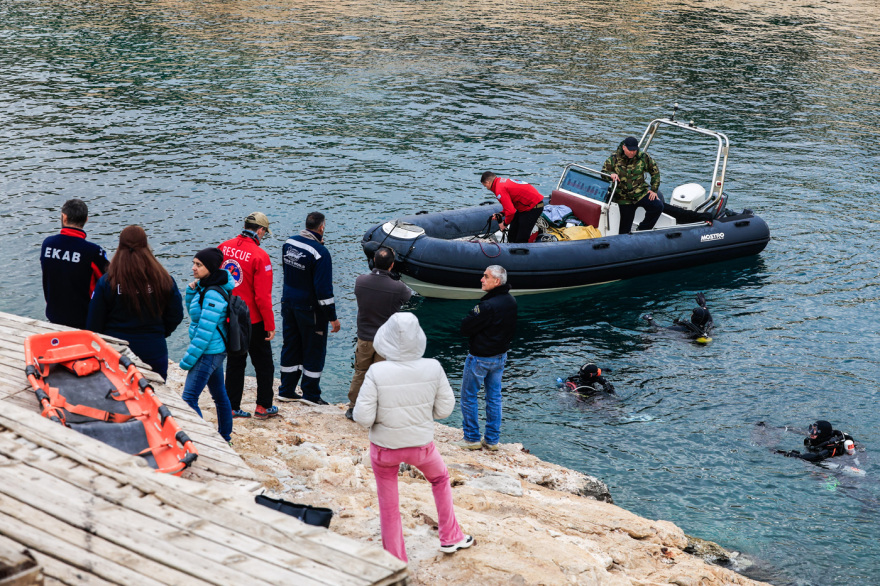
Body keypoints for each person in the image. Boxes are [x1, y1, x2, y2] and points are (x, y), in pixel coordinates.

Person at [353, 312, 474, 561]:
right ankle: (451, 537)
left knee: (389, 502)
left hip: (385, 449)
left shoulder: (377, 371)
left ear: (385, 338)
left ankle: (395, 558)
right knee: (440, 479)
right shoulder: (433, 367)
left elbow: (363, 417)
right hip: (422, 446)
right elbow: (443, 410)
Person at [86, 225, 183, 380]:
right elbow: (176, 314)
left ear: (120, 247)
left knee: (118, 398)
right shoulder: (164, 279)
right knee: (156, 398)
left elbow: (93, 323)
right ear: (146, 246)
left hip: (117, 352)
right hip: (153, 350)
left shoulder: (107, 282)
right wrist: (159, 333)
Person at [219, 212, 278, 420]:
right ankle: (263, 407)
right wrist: (270, 324)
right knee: (264, 364)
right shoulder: (260, 256)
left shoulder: (223, 247)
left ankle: (232, 407)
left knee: (235, 363)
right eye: (264, 233)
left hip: (229, 315)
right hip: (253, 319)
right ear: (260, 231)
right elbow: (262, 296)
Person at [279, 212, 340, 405]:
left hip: (288, 303)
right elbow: (323, 290)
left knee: (291, 344)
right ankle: (311, 395)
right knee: (314, 348)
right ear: (322, 228)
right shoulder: (320, 252)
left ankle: (286, 389)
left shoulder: (289, 243)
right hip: (310, 309)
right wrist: (333, 317)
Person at [346, 247, 413, 420]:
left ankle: (353, 407)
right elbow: (408, 296)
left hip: (365, 338)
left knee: (360, 372)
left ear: (374, 261)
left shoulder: (360, 281)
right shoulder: (399, 288)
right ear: (392, 265)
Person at [457, 265, 517, 451]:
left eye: (486, 276)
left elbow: (465, 327)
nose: (482, 279)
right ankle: (491, 440)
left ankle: (472, 438)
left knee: (468, 396)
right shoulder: (511, 301)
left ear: (496, 281)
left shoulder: (487, 305)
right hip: (500, 357)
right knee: (494, 398)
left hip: (480, 358)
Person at [180, 248, 234, 444]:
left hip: (208, 352)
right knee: (220, 395)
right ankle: (225, 438)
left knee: (188, 399)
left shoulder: (212, 294)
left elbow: (204, 331)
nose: (193, 268)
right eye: (194, 263)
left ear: (210, 268)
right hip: (214, 350)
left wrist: (188, 359)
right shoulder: (205, 286)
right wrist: (191, 291)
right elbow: (194, 315)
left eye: (199, 265)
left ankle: (203, 442)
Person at [40, 198, 109, 328]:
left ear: (64, 218)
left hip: (53, 317)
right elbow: (109, 280)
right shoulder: (93, 251)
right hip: (84, 321)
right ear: (86, 220)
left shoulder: (47, 244)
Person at [602, 136, 663, 234]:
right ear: (624, 147)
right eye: (630, 150)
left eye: (635, 150)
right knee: (624, 229)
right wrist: (611, 175)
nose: (632, 153)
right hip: (623, 198)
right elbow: (603, 173)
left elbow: (655, 172)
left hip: (640, 193)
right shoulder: (613, 159)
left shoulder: (643, 157)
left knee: (657, 206)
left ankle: (642, 229)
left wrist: (654, 190)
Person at [480, 172, 545, 243]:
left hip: (532, 207)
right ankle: (511, 248)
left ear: (488, 182)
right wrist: (501, 214)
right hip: (524, 208)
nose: (487, 188)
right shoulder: (500, 183)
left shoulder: (499, 189)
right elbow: (509, 207)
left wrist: (504, 224)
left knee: (521, 237)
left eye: (485, 185)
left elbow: (511, 211)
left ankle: (522, 250)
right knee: (512, 233)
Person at [642, 293, 714, 340]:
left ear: (694, 317)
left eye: (693, 314)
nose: (691, 315)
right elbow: (709, 319)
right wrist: (704, 305)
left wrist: (649, 319)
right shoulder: (707, 328)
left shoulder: (681, 328)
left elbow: (659, 328)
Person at [777, 420, 857, 462]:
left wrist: (796, 455)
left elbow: (817, 457)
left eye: (815, 430)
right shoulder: (816, 440)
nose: (811, 432)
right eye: (812, 429)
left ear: (821, 433)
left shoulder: (829, 447)